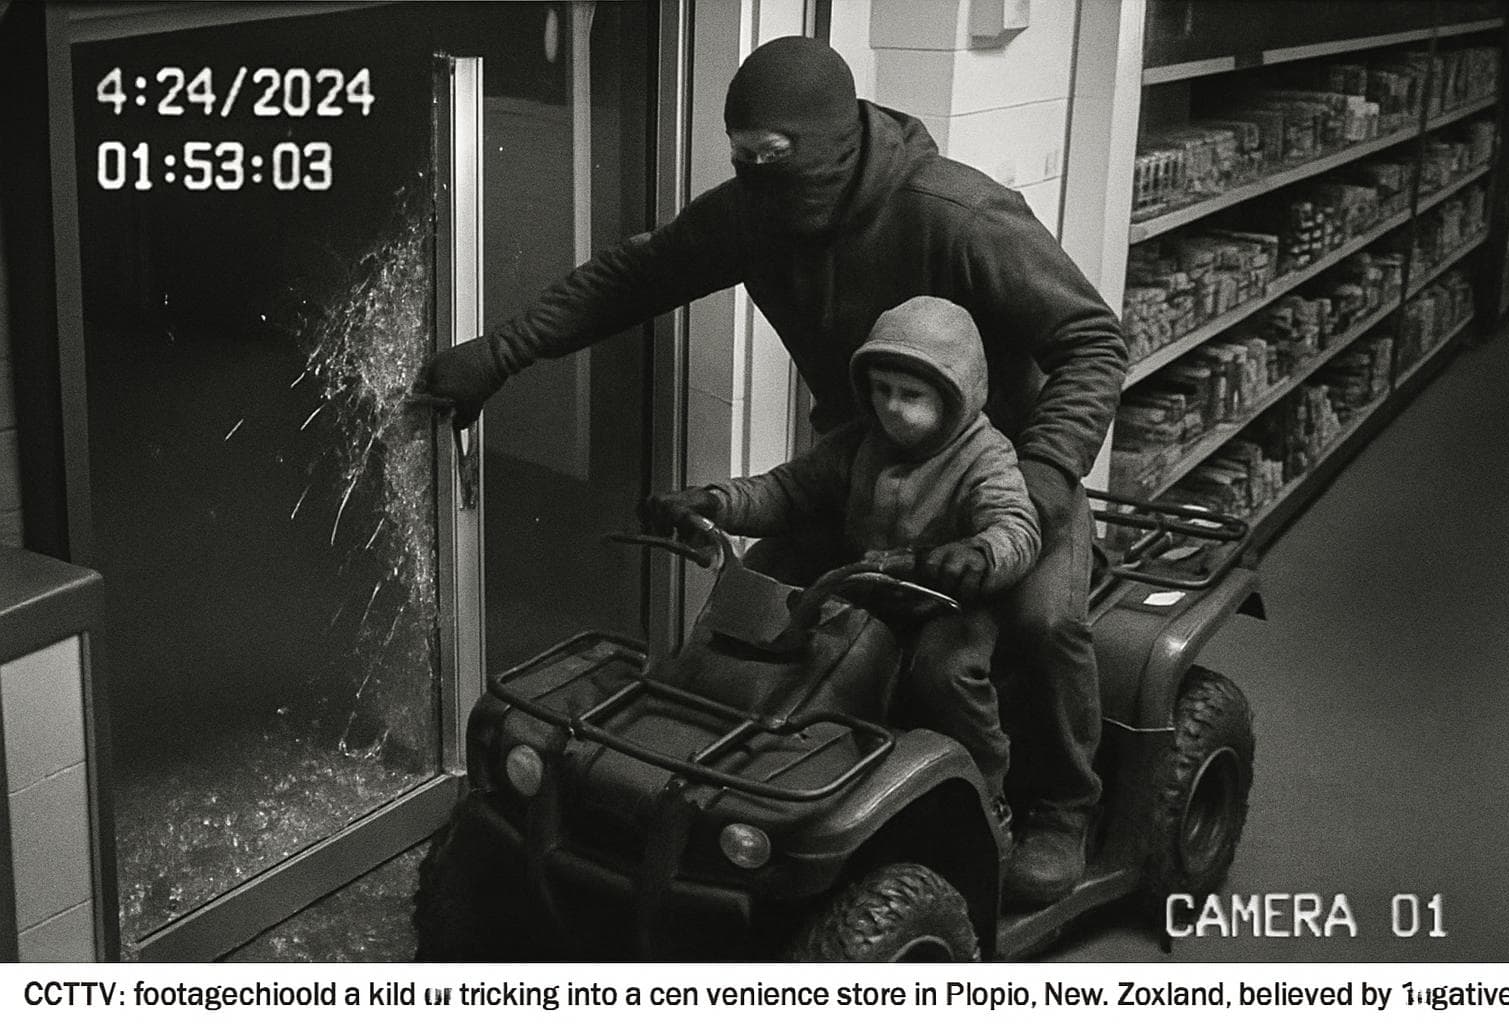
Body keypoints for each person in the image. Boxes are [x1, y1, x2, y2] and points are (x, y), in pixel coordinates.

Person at [412, 36, 1128, 904]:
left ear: (831, 140)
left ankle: (1059, 805)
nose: (755, 174)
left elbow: (1093, 340)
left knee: (1045, 625)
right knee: (754, 622)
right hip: (860, 472)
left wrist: (1049, 480)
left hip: (1002, 478)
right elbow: (631, 277)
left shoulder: (958, 216)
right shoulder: (755, 214)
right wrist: (504, 352)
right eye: (741, 157)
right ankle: (770, 806)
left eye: (774, 156)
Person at [645, 296, 1039, 828]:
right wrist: (713, 501)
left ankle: (988, 792)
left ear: (956, 395)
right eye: (881, 390)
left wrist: (977, 555)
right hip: (865, 582)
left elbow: (1016, 525)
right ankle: (739, 743)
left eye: (912, 395)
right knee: (774, 594)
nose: (892, 408)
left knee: (947, 676)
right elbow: (788, 490)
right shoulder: (860, 441)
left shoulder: (986, 456)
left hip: (944, 598)